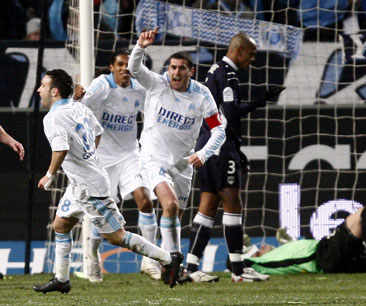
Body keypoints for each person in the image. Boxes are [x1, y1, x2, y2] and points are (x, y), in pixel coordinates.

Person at [32, 69, 182, 293]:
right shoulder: (79, 107)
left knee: (115, 237)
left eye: (43, 86)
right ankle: (61, 279)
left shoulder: (53, 117)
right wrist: (89, 157)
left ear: (54, 91)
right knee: (60, 225)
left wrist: (50, 175)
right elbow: (98, 131)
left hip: (90, 187)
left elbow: (60, 148)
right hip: (80, 183)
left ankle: (168, 258)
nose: (39, 90)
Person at [184, 33, 284, 283]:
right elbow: (230, 112)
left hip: (206, 146)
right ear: (238, 52)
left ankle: (192, 267)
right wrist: (260, 101)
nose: (252, 59)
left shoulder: (214, 70)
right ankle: (238, 270)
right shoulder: (228, 74)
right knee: (233, 203)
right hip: (220, 147)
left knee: (207, 205)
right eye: (251, 54)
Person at [128, 27, 226, 262]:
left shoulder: (201, 94)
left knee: (175, 215)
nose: (176, 72)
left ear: (191, 71)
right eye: (172, 67)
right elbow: (134, 68)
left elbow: (219, 129)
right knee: (169, 204)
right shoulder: (156, 84)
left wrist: (204, 153)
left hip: (183, 163)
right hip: (153, 158)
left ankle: (160, 263)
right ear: (167, 70)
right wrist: (141, 46)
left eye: (182, 68)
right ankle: (173, 259)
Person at [73, 49, 160, 282]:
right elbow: (81, 105)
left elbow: (154, 108)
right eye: (119, 64)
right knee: (102, 217)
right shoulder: (102, 85)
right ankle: (92, 258)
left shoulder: (138, 89)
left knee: (145, 200)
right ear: (111, 67)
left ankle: (149, 260)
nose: (124, 68)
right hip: (102, 159)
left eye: (127, 65)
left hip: (130, 154)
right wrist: (78, 96)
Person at [240, 206, 366, 275]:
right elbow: (236, 264)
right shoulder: (258, 263)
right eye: (259, 249)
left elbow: (293, 256)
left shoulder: (279, 255)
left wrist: (290, 241)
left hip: (340, 261)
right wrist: (240, 248)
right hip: (324, 255)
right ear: (255, 255)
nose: (263, 245)